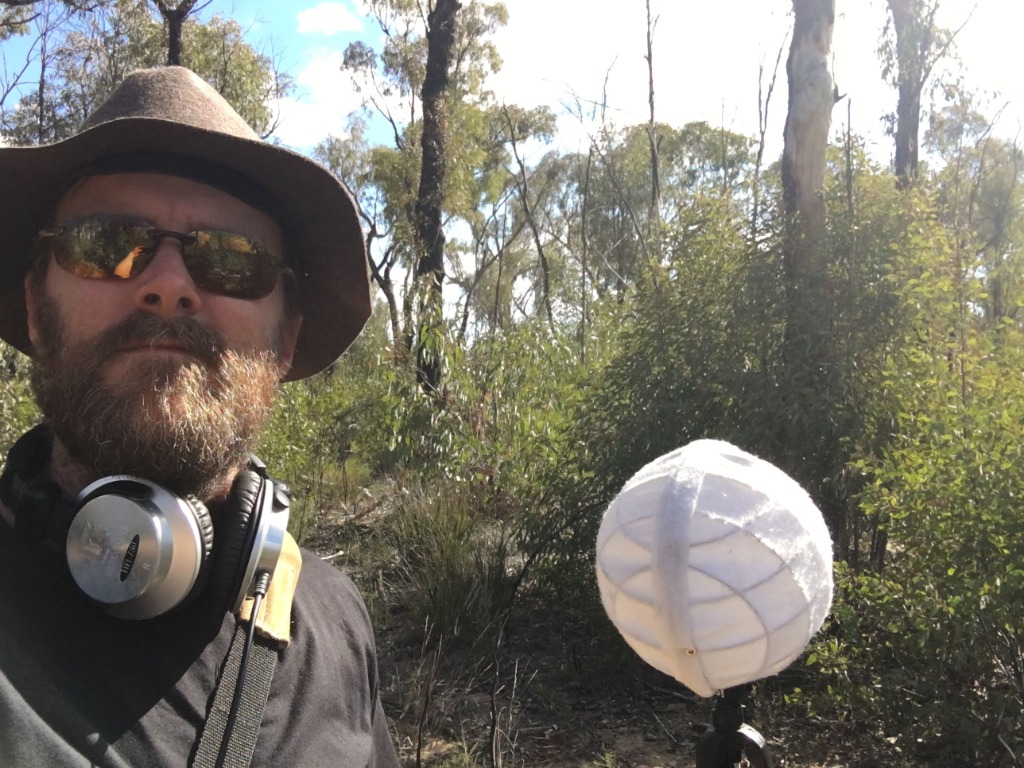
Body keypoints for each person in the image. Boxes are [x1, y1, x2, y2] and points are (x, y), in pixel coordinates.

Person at [0, 66, 400, 767]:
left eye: (231, 260)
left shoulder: (336, 621)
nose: (167, 285)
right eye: (106, 243)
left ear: (285, 342)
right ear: (37, 309)